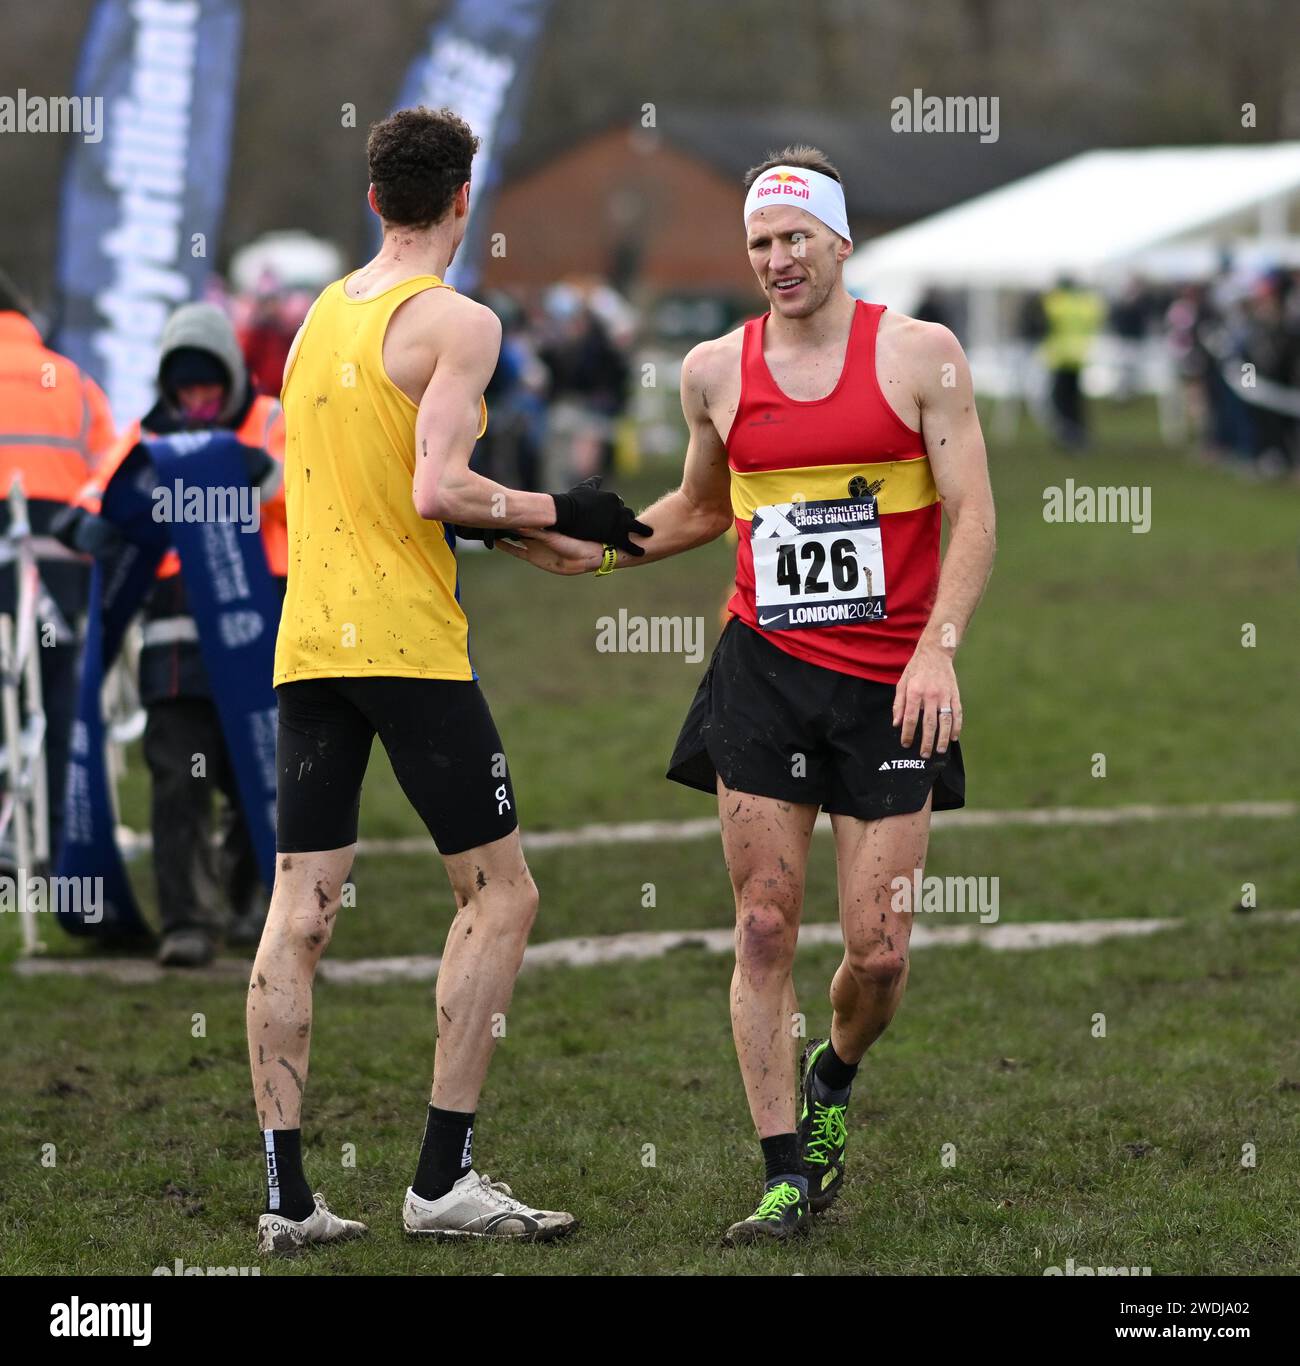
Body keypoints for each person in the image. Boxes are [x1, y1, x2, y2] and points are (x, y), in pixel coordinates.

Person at [499, 145, 996, 1245]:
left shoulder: (920, 354)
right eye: (760, 243)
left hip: (890, 687)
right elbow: (698, 508)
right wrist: (593, 551)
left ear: (839, 240)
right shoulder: (714, 370)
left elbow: (976, 514)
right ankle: (782, 1174)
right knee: (765, 924)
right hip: (760, 676)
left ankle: (834, 1072)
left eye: (794, 239)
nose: (776, 260)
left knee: (878, 951)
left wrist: (938, 650)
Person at [249, 105, 648, 1255]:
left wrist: (517, 536)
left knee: (300, 911)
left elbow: (376, 490)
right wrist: (568, 512)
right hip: (407, 646)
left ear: (373, 199)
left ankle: (287, 1195)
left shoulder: (320, 314)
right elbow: (435, 487)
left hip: (309, 642)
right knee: (501, 896)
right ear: (463, 201)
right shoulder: (459, 320)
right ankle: (441, 1180)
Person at [61, 302, 287, 966]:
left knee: (262, 771)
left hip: (259, 632)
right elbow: (92, 497)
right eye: (184, 389)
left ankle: (256, 903)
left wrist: (258, 476)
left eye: (209, 386)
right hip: (174, 642)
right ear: (166, 387)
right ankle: (187, 923)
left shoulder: (270, 419)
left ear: (232, 378)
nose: (197, 400)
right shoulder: (145, 441)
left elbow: (305, 491)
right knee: (175, 775)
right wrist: (86, 528)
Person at [0, 268, 117, 870]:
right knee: (58, 698)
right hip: (64, 566)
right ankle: (54, 836)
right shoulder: (69, 380)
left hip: (4, 556)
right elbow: (112, 471)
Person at [1040, 275, 1104, 449]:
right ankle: (1080, 433)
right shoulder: (1086, 304)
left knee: (1060, 399)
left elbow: (1046, 312)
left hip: (1061, 356)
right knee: (1075, 398)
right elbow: (1096, 318)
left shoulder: (1058, 303)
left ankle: (1067, 433)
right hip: (1079, 355)